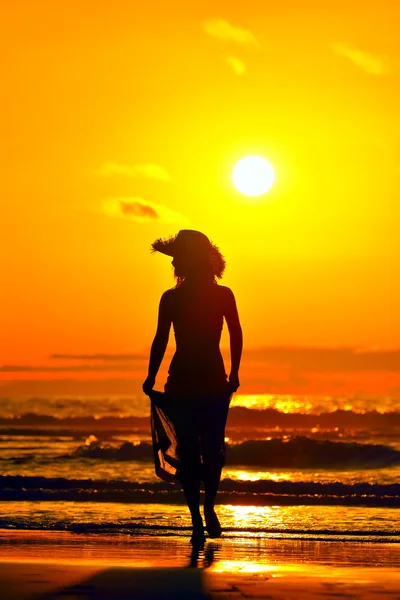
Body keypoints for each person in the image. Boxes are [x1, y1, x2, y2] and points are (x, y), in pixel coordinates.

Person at [142, 229, 243, 545]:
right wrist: (151, 376)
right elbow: (161, 339)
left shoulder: (222, 295)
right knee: (196, 451)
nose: (174, 264)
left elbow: (236, 333)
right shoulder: (171, 298)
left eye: (178, 258)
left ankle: (207, 510)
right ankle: (197, 517)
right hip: (189, 381)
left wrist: (235, 372)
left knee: (209, 451)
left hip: (209, 380)